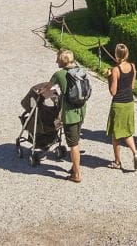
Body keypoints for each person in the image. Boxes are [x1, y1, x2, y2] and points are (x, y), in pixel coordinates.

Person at [50, 50, 89, 183]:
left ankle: (76, 174)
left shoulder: (59, 74)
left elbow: (47, 87)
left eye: (58, 59)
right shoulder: (80, 71)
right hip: (81, 111)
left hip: (70, 115)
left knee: (73, 144)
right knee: (76, 140)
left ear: (62, 61)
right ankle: (74, 167)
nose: (56, 61)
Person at [106, 43, 137, 171]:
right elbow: (132, 86)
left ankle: (117, 162)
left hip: (119, 104)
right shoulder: (132, 66)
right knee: (127, 132)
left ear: (116, 55)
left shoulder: (116, 70)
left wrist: (109, 77)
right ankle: (135, 153)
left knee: (116, 135)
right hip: (129, 102)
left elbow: (113, 92)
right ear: (127, 54)